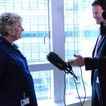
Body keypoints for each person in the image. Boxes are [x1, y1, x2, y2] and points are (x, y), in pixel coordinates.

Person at [67, 0, 106, 106]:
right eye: (93, 13)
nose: (94, 16)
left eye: (96, 13)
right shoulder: (102, 30)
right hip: (97, 83)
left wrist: (86, 61)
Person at [0, 12, 38, 106]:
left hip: (23, 99)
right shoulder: (1, 49)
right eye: (19, 26)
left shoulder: (12, 48)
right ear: (9, 28)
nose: (23, 29)